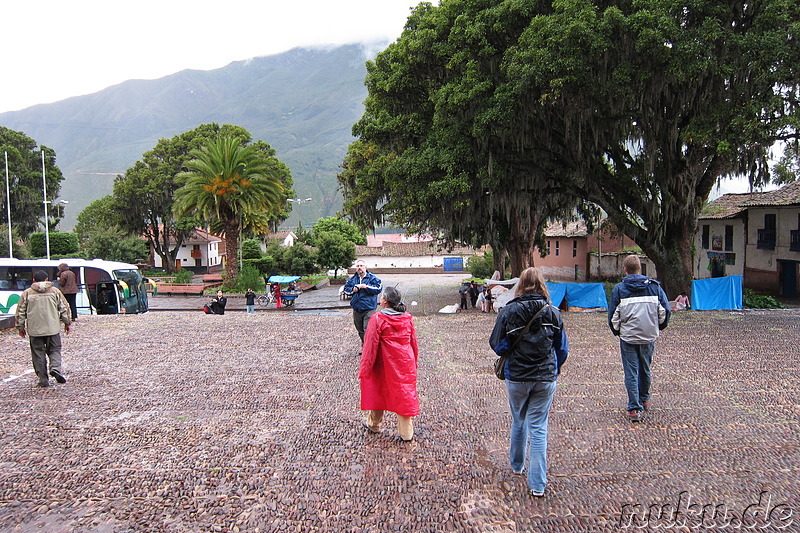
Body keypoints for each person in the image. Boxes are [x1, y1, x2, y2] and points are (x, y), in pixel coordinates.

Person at [489, 267, 568, 498]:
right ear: (542, 285)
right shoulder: (553, 313)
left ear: (521, 285)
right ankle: (537, 484)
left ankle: (517, 464)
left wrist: (512, 351)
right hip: (545, 376)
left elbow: (496, 343)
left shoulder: (509, 311)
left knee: (518, 419)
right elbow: (561, 348)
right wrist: (554, 366)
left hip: (517, 376)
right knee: (539, 427)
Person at [608, 255, 671, 422]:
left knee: (631, 372)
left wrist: (618, 332)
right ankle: (644, 398)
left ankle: (634, 408)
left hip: (628, 337)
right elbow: (665, 312)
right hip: (648, 336)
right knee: (645, 368)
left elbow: (613, 316)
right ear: (640, 269)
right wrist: (658, 327)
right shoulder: (655, 288)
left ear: (625, 270)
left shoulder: (619, 290)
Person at [359, 286, 419, 442]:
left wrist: (365, 367)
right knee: (404, 393)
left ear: (384, 301)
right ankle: (406, 433)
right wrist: (414, 361)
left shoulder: (377, 318)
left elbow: (370, 345)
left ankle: (374, 424)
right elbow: (413, 343)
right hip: (404, 361)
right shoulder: (407, 317)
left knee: (378, 390)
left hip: (383, 362)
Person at [15, 270, 72, 387]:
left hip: (35, 330)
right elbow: (64, 308)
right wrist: (67, 323)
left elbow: (20, 311)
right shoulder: (55, 291)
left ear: (33, 280)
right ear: (47, 280)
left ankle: (43, 379)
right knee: (55, 350)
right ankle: (55, 368)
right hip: (53, 328)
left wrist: (20, 327)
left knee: (38, 354)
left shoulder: (27, 293)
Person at [343, 259, 382, 345]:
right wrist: (353, 290)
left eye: (361, 266)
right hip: (357, 308)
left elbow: (378, 289)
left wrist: (366, 287)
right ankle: (365, 345)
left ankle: (369, 348)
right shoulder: (352, 279)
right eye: (358, 266)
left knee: (367, 329)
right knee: (360, 330)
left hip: (369, 308)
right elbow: (346, 290)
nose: (359, 268)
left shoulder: (373, 278)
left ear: (365, 267)